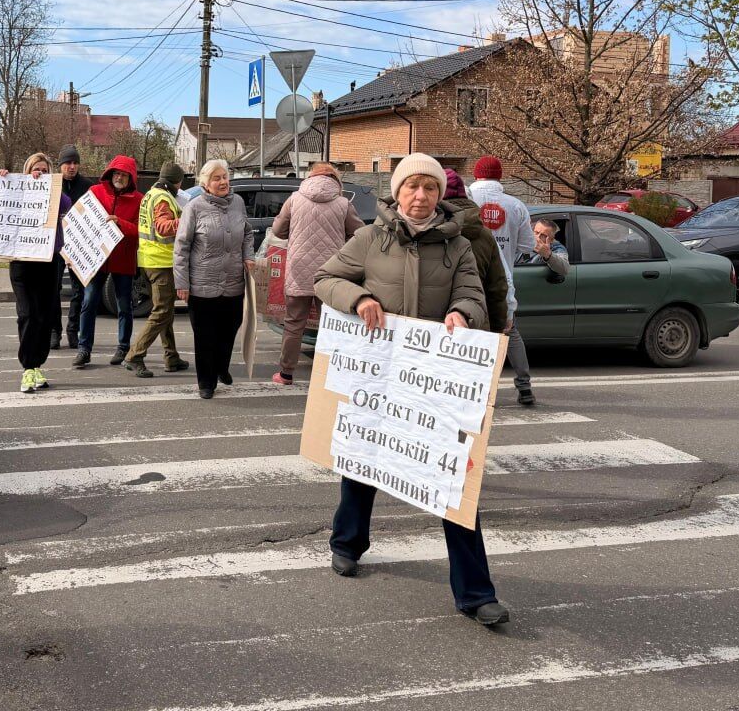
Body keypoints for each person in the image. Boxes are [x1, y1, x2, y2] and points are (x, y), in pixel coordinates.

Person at [315, 152, 509, 626]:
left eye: (429, 188)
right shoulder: (369, 238)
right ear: (397, 192)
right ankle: (348, 542)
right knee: (364, 460)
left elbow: (474, 295)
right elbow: (325, 279)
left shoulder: (459, 245)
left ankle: (475, 593)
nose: (420, 197)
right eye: (411, 188)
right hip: (379, 373)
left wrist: (463, 314)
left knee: (454, 480)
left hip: (435, 377)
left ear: (440, 195)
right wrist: (359, 298)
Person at [269, 162, 362, 385]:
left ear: (310, 178)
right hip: (331, 273)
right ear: (335, 180)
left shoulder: (294, 199)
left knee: (294, 323)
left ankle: (286, 373)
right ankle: (332, 373)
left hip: (298, 269)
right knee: (331, 324)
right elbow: (359, 234)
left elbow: (277, 231)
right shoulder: (343, 204)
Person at [174, 159, 254, 399]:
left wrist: (248, 256)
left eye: (225, 177)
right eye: (216, 178)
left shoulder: (238, 203)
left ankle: (221, 366)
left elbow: (248, 232)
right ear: (205, 184)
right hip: (201, 284)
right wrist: (182, 282)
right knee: (205, 335)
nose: (222, 182)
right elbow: (182, 246)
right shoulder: (194, 207)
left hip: (233, 282)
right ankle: (206, 382)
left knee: (230, 329)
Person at [467, 155, 538, 406]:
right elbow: (528, 246)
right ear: (500, 177)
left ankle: (481, 392)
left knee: (474, 336)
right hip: (502, 279)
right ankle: (524, 387)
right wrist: (504, 247)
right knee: (510, 332)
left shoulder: (466, 200)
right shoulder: (515, 205)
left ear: (476, 175)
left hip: (469, 277)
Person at [0, 155, 71, 393]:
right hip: (22, 262)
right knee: (27, 313)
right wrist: (3, 182)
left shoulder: (55, 193)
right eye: (34, 169)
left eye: (43, 170)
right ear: (26, 171)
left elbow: (65, 205)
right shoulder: (17, 191)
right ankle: (28, 368)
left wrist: (47, 186)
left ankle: (37, 364)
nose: (38, 173)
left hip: (48, 261)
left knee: (45, 316)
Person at [74, 155, 142, 369]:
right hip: (96, 259)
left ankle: (123, 346)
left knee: (124, 305)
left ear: (131, 178)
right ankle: (84, 348)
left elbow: (141, 232)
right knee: (89, 302)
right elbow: (79, 220)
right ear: (110, 173)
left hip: (123, 258)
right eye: (117, 173)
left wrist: (120, 223)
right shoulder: (95, 192)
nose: (119, 177)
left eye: (124, 174)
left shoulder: (139, 199)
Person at [124, 163, 189, 379]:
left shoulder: (150, 194)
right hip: (161, 261)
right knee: (161, 311)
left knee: (166, 311)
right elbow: (162, 226)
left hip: (150, 259)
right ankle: (134, 355)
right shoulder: (163, 198)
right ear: (176, 182)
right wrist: (188, 221)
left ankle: (171, 357)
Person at [441, 168, 510, 333]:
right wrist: (498, 325)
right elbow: (497, 288)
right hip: (475, 327)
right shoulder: (484, 235)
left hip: (430, 329)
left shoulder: (428, 231)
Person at [54, 144, 94, 349]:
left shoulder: (86, 185)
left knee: (78, 291)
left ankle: (72, 330)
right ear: (60, 165)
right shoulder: (51, 184)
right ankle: (54, 331)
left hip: (79, 245)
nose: (71, 166)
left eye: (75, 163)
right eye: (68, 163)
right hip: (55, 244)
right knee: (54, 288)